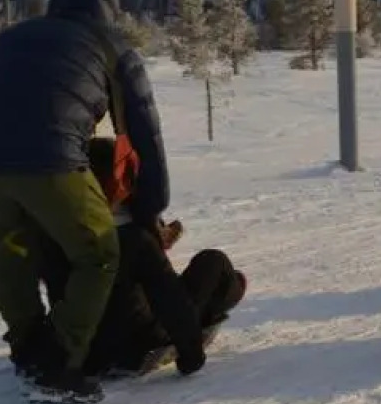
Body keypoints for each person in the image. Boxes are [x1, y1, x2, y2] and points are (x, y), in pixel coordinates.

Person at [0, 0, 170, 404]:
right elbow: (143, 133)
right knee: (99, 253)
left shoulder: (14, 36)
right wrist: (151, 207)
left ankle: (28, 350)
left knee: (9, 249)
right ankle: (56, 363)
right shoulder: (113, 46)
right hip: (50, 158)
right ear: (109, 5)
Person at [34, 136, 246, 381]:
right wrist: (191, 355)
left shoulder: (52, 234)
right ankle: (227, 294)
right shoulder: (132, 238)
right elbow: (170, 300)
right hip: (138, 346)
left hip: (85, 349)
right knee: (213, 262)